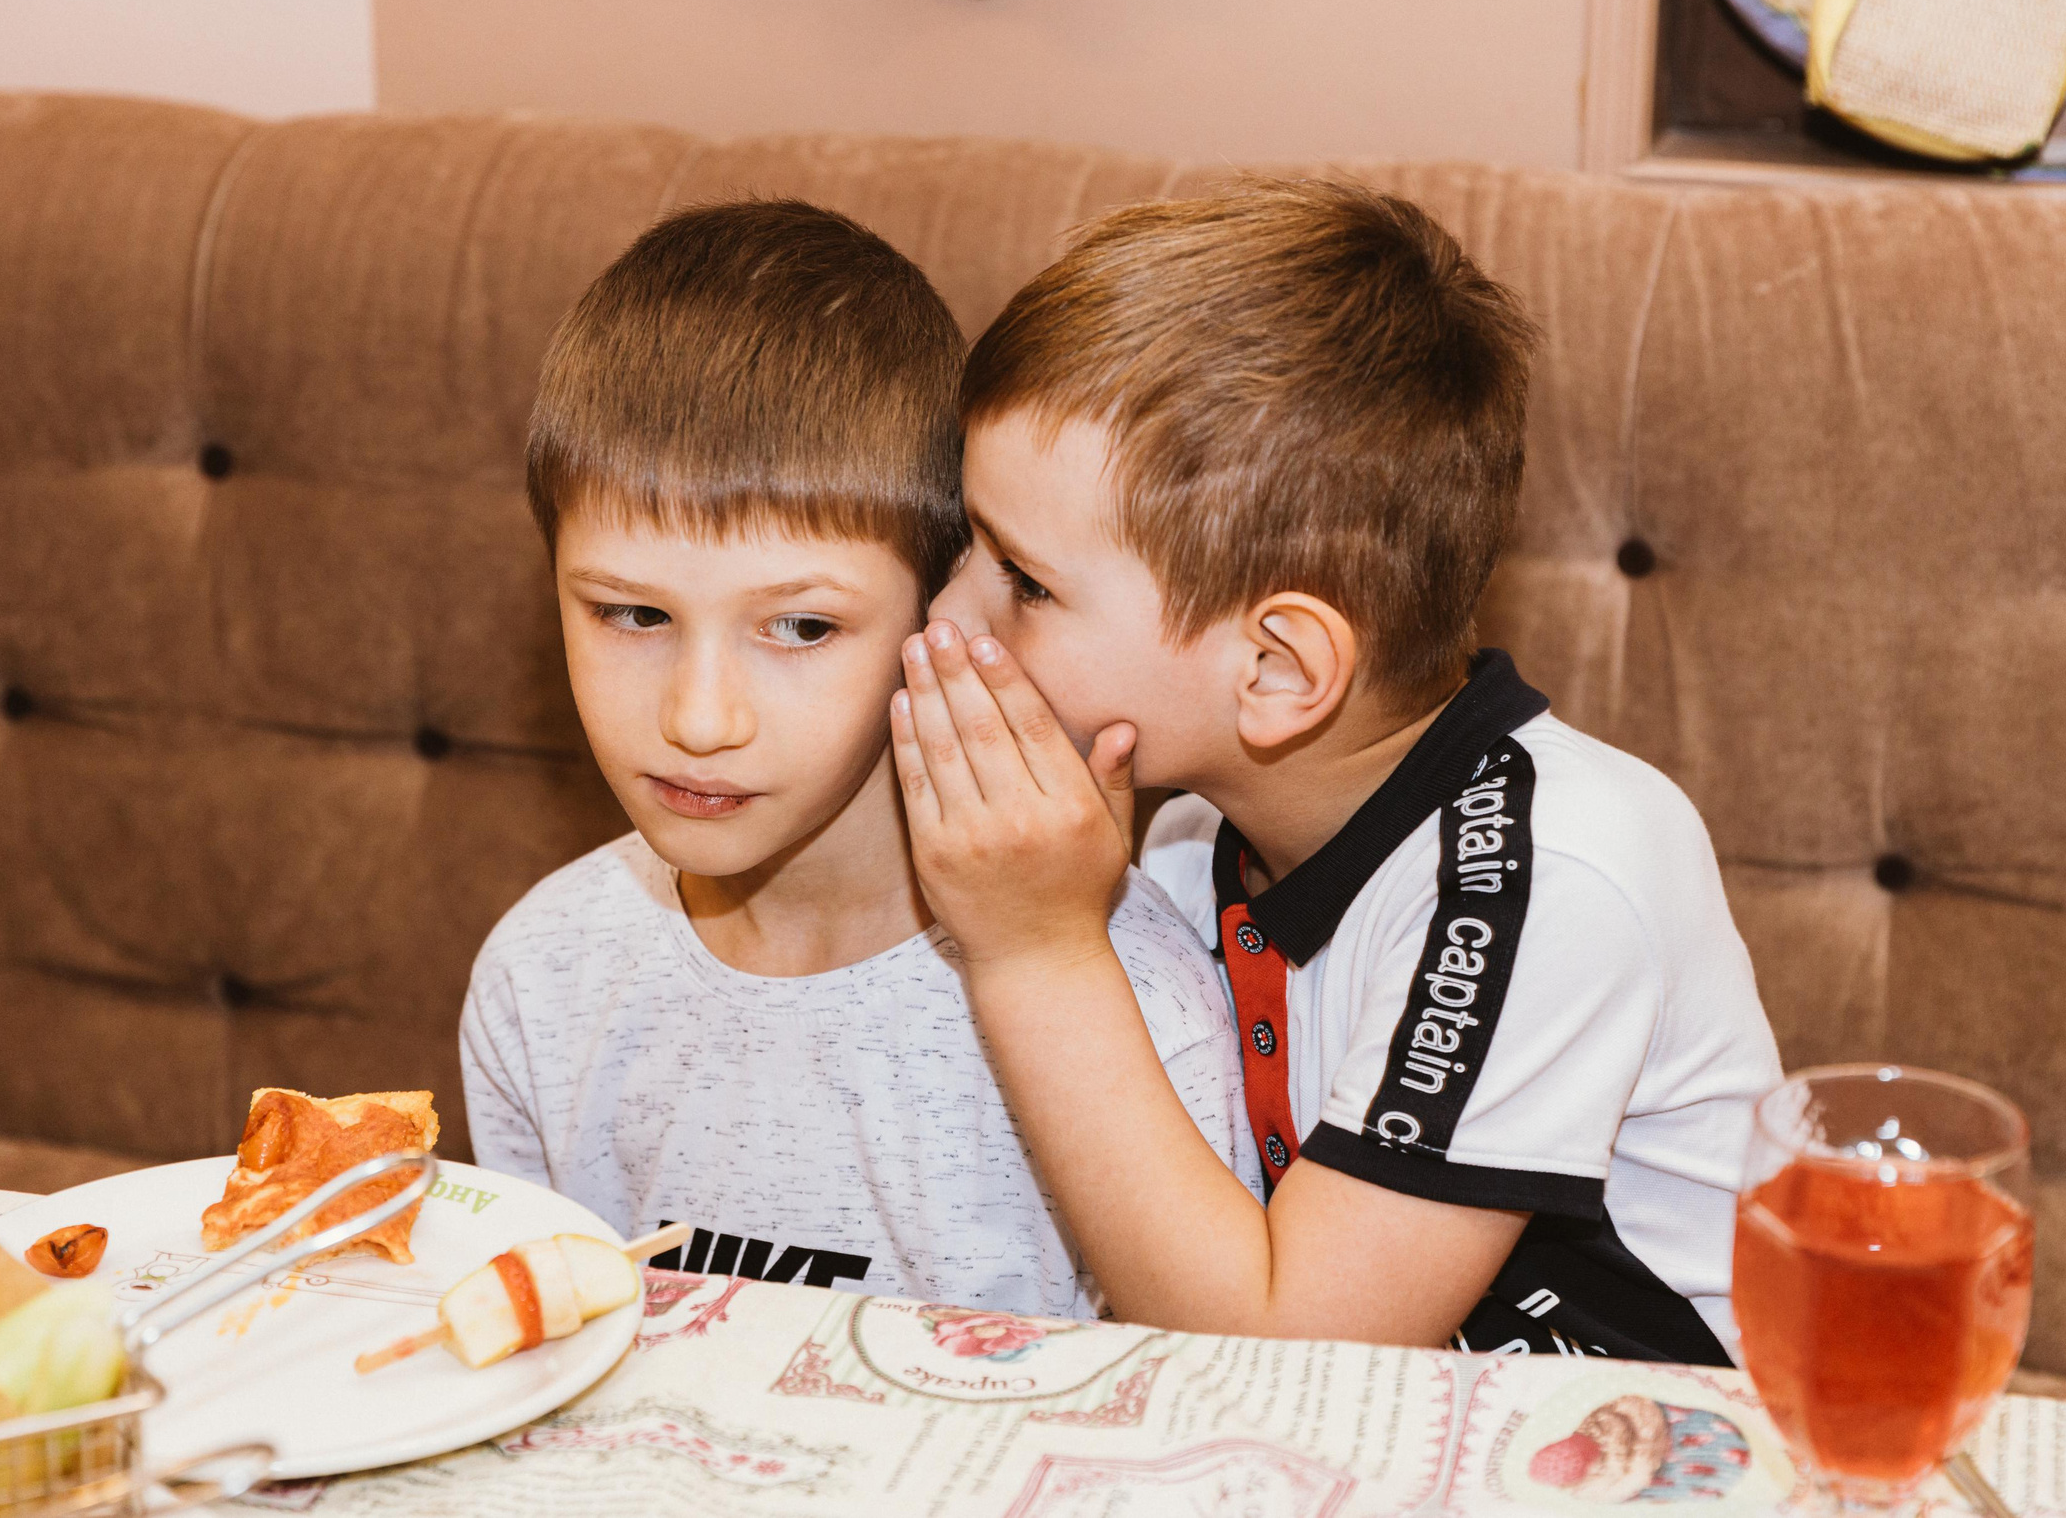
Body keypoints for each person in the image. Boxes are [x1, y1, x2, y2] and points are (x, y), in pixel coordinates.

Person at [888, 180, 1782, 1361]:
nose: (949, 616)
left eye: (1028, 583)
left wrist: (1037, 950)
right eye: (968, 545)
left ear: (1275, 669)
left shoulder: (1553, 876)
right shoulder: (1190, 835)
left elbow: (1292, 1341)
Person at [460, 200, 1258, 1317]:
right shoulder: (541, 978)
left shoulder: (1123, 1004)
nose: (698, 718)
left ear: (942, 614)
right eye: (632, 614)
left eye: (800, 628)